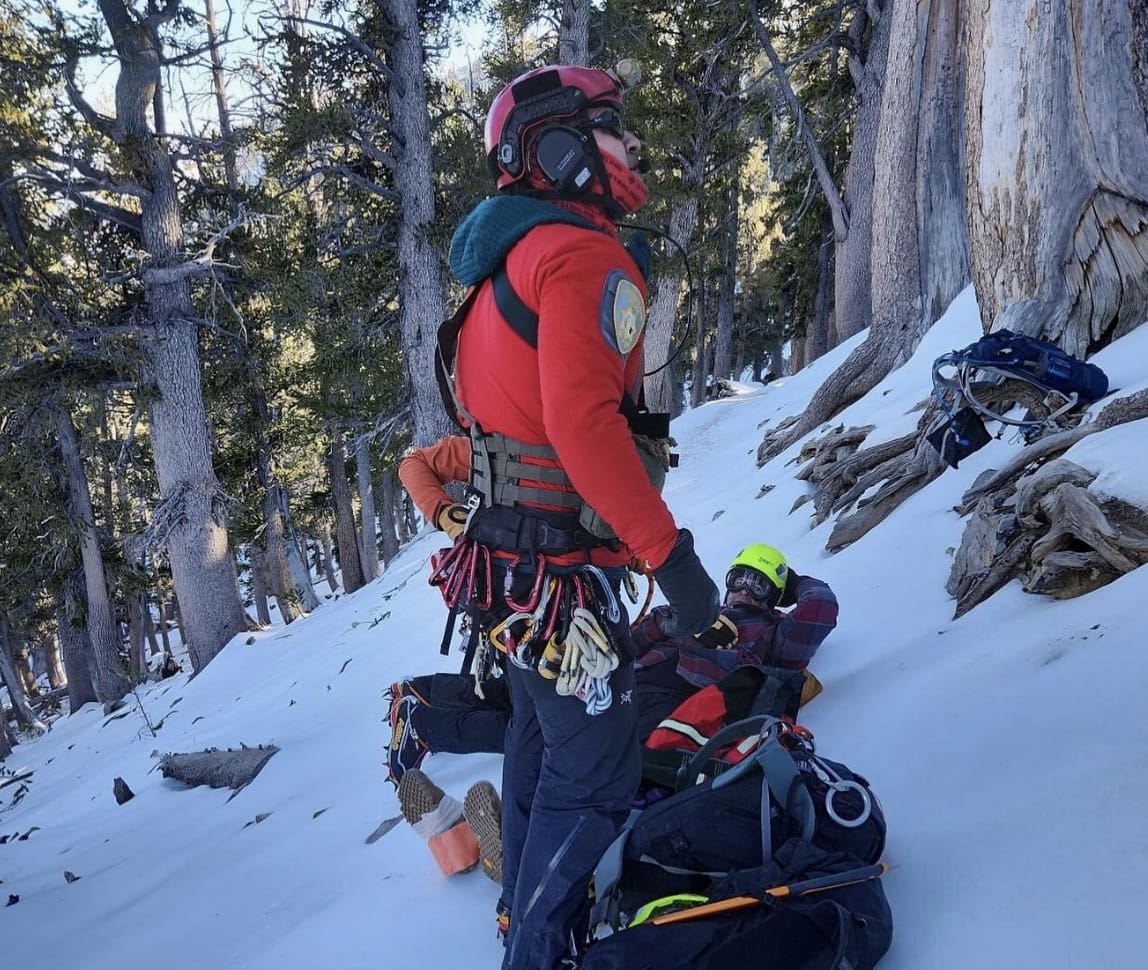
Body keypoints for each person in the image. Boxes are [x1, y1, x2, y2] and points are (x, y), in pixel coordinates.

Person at [431, 62, 720, 969]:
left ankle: (527, 916)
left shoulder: (503, 265)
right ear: (557, 146)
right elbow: (584, 425)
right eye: (609, 128)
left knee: (537, 736)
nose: (629, 146)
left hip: (503, 572)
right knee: (595, 777)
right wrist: (673, 561)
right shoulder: (582, 255)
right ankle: (539, 953)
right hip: (555, 578)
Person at [384, 543, 838, 779]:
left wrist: (791, 582)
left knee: (547, 734)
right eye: (738, 576)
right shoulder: (710, 613)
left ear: (775, 594)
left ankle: (424, 728)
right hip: (627, 671)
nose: (742, 588)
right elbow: (639, 637)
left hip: (673, 695)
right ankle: (418, 694)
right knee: (521, 695)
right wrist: (675, 624)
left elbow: (822, 607)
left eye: (758, 584)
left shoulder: (776, 635)